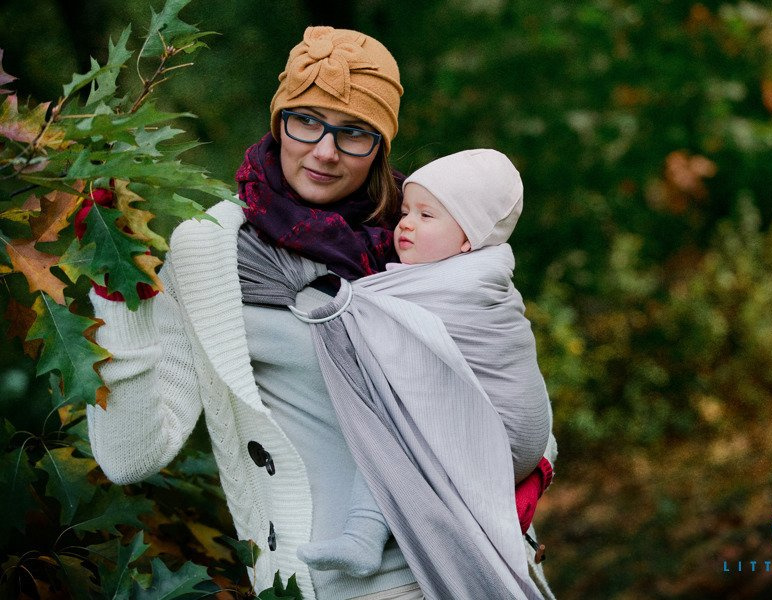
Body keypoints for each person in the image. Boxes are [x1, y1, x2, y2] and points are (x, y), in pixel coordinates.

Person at [82, 25, 554, 600]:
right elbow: (131, 457)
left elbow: (506, 385)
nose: (325, 151)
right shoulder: (210, 252)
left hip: (476, 562)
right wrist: (119, 294)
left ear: (380, 146)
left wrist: (527, 473)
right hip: (343, 584)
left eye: (354, 133)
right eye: (306, 120)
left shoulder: (426, 233)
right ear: (278, 121)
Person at [296, 149, 554, 582]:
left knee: (391, 426)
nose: (406, 225)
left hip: (502, 438)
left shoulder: (460, 284)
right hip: (529, 437)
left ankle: (362, 535)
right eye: (405, 212)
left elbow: (359, 306)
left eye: (426, 215)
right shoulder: (480, 274)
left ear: (468, 239)